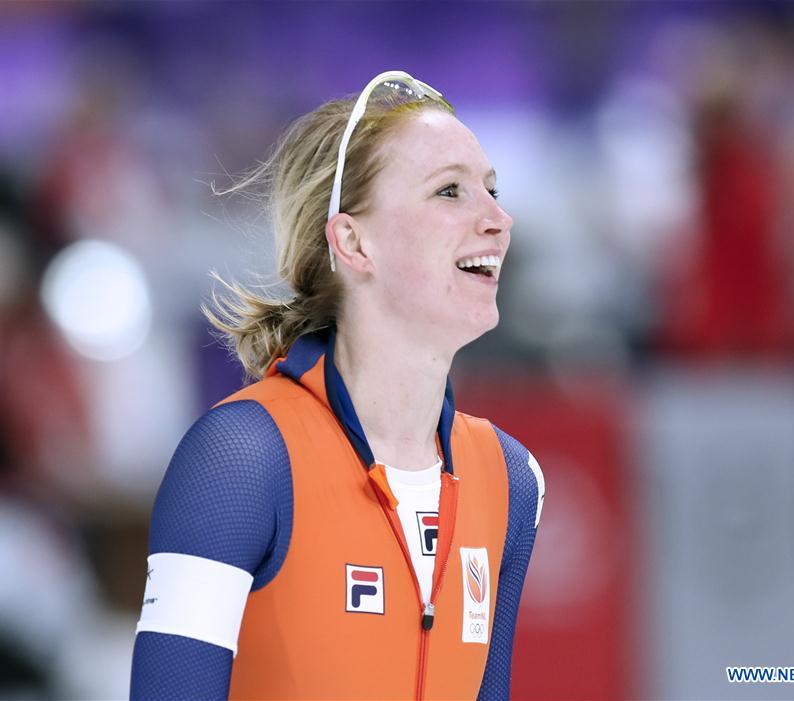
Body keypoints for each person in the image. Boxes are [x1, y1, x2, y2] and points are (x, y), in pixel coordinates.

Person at [129, 70, 545, 701]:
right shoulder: (243, 461)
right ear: (353, 241)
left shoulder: (511, 479)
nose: (498, 219)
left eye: (493, 189)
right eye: (451, 191)